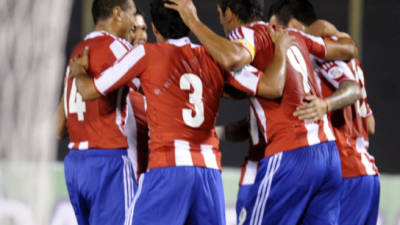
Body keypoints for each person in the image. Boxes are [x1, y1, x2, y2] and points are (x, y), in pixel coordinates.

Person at [69, 0, 296, 224]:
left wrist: (80, 72)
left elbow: (90, 90)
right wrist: (281, 51)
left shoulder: (145, 55)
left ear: (155, 28)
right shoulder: (214, 57)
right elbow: (272, 87)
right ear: (188, 23)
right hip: (208, 173)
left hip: (168, 170)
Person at [166, 0, 358, 224]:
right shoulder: (289, 34)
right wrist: (333, 32)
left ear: (228, 13)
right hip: (327, 153)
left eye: (220, 13)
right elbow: (349, 49)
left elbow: (233, 58)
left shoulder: (244, 33)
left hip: (291, 153)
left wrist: (193, 21)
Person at [269, 1, 380, 224]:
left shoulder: (318, 52)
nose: (272, 35)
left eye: (274, 28)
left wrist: (324, 105)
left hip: (347, 171)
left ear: (292, 25)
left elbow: (353, 90)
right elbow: (370, 125)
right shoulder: (349, 58)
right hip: (367, 174)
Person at [60, 0, 137, 224]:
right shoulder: (117, 48)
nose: (134, 23)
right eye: (132, 15)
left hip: (76, 161)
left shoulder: (77, 50)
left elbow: (61, 120)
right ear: (117, 13)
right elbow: (151, 81)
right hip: (108, 160)